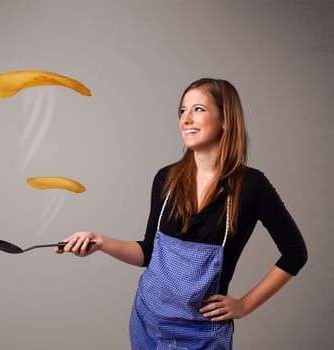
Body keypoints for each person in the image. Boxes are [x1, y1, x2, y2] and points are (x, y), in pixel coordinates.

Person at [56, 78, 308, 350]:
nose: (186, 119)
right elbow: (149, 252)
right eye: (182, 111)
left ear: (225, 119)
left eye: (198, 109)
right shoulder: (166, 178)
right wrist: (101, 242)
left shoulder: (251, 186)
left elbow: (295, 252)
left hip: (203, 332)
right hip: (148, 320)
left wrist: (244, 305)